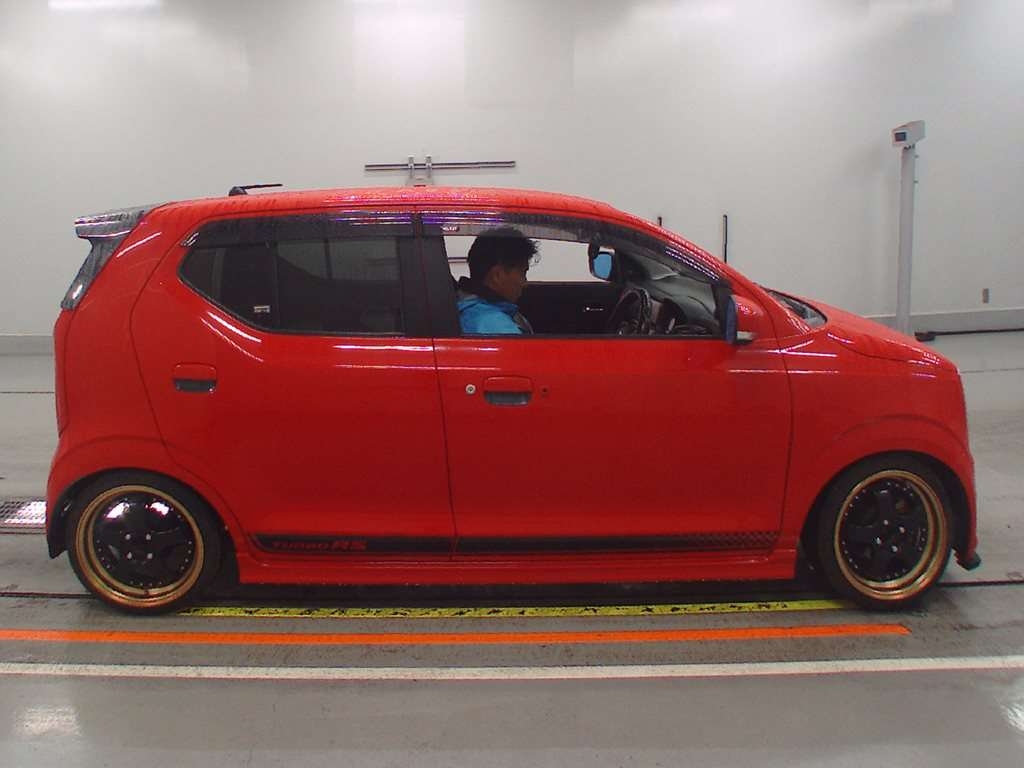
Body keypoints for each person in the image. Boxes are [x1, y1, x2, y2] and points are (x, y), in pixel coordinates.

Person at [456, 227, 537, 334]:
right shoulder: (496, 326)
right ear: (497, 275)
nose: (525, 283)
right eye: (523, 273)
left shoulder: (471, 308)